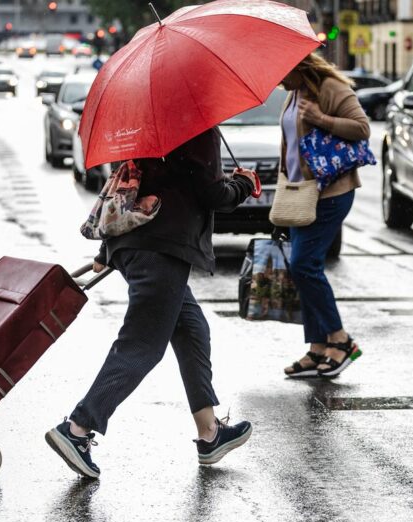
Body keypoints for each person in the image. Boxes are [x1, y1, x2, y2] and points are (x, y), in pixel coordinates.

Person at [46, 127, 259, 478]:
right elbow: (213, 194)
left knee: (191, 330)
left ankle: (210, 433)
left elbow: (129, 183)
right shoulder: (198, 130)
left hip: (133, 245)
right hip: (161, 251)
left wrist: (106, 250)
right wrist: (242, 184)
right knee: (142, 345)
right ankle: (78, 428)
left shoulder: (142, 125)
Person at [279, 52, 369, 379]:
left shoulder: (330, 88)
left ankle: (341, 340)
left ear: (299, 65)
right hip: (300, 194)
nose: (278, 79)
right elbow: (290, 146)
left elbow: (362, 128)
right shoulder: (294, 94)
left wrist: (322, 119)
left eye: (281, 71)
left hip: (331, 192)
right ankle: (318, 348)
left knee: (305, 264)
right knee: (303, 266)